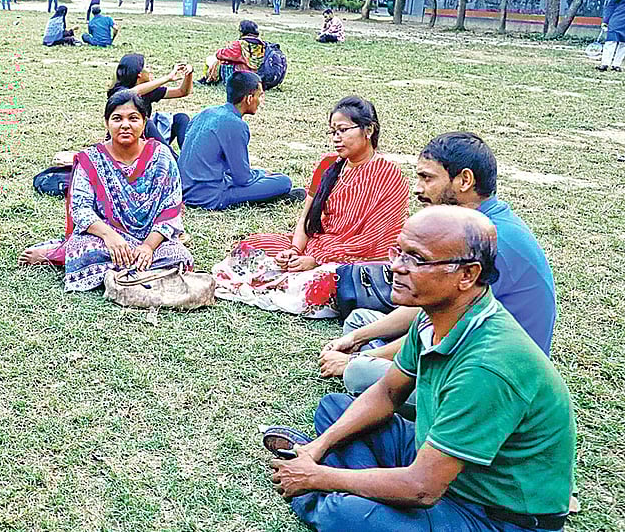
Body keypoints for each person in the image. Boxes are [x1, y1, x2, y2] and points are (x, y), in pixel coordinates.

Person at [267, 206, 575, 532]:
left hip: (492, 514)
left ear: (467, 275)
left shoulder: (488, 367)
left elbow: (423, 489)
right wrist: (319, 446)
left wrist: (319, 477)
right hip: (438, 465)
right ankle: (348, 479)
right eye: (399, 251)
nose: (396, 267)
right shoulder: (436, 317)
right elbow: (387, 393)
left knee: (344, 514)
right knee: (335, 410)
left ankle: (325, 495)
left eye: (416, 259)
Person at [319, 132, 558, 411]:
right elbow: (429, 308)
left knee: (359, 373)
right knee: (360, 321)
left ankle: (384, 379)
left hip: (488, 380)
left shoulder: (490, 242)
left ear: (464, 181)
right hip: (459, 346)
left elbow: (447, 334)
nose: (418, 189)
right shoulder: (473, 228)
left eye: (427, 178)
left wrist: (356, 361)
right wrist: (356, 339)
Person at [19, 90, 194, 291]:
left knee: (180, 257)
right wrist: (111, 237)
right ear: (107, 123)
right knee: (84, 250)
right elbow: (80, 208)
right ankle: (59, 255)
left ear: (144, 122)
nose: (125, 125)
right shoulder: (91, 159)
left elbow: (170, 209)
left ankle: (115, 264)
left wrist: (148, 246)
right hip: (104, 236)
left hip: (151, 239)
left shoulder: (162, 156)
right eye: (117, 119)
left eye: (133, 118)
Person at [241, 96, 409, 270]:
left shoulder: (388, 175)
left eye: (343, 130)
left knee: (328, 276)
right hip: (320, 245)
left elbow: (373, 241)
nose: (336, 138)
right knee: (253, 246)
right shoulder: (328, 165)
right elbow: (306, 219)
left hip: (358, 258)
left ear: (368, 130)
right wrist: (294, 250)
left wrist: (318, 262)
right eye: (333, 132)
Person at [179, 71, 302, 209]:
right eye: (260, 95)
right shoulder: (236, 124)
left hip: (184, 189)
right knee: (284, 182)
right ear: (249, 98)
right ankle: (273, 197)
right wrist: (261, 173)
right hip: (209, 196)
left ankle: (269, 195)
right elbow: (243, 178)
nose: (261, 101)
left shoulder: (206, 112)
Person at [110, 53, 193, 151]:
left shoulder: (148, 90)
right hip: (129, 140)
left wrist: (189, 74)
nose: (150, 70)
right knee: (146, 123)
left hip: (146, 137)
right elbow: (128, 94)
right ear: (139, 74)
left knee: (181, 118)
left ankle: (189, 155)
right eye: (147, 67)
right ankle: (172, 157)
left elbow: (182, 92)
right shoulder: (119, 91)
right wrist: (167, 78)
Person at [597, 0, 625, 72]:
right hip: (617, 18)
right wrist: (606, 20)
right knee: (611, 40)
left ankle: (616, 65)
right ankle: (604, 64)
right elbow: (612, 4)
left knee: (623, 43)